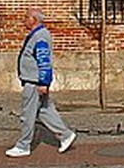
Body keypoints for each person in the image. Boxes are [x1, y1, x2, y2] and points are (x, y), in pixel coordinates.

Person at [5, 8, 76, 157]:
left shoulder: (40, 37)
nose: (24, 20)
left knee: (28, 114)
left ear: (34, 19)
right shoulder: (38, 35)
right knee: (44, 111)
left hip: (34, 82)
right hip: (35, 81)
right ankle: (65, 135)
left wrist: (43, 82)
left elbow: (44, 61)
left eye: (26, 17)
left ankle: (23, 145)